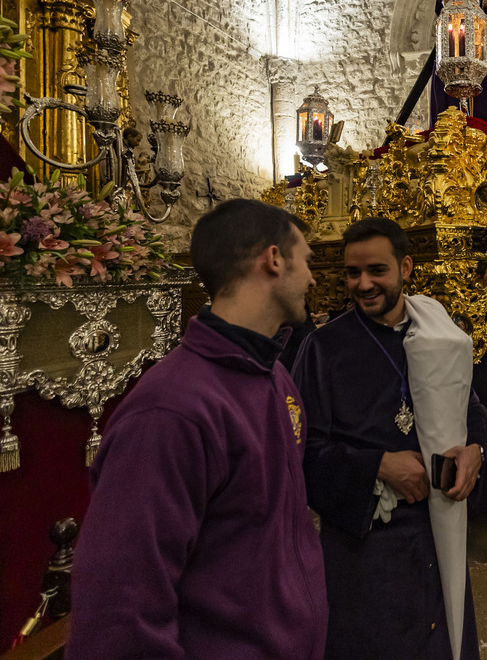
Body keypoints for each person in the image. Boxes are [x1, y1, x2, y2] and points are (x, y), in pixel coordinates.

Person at [67, 199, 328, 659]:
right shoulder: (173, 410)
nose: (312, 277)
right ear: (273, 259)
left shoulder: (274, 375)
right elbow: (119, 608)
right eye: (306, 260)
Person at [292, 217, 487, 660]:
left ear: (406, 267)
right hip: (367, 549)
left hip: (437, 532)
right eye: (352, 273)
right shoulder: (323, 349)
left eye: (377, 271)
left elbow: (472, 410)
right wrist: (379, 465)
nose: (363, 284)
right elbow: (301, 454)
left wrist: (476, 449)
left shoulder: (440, 335)